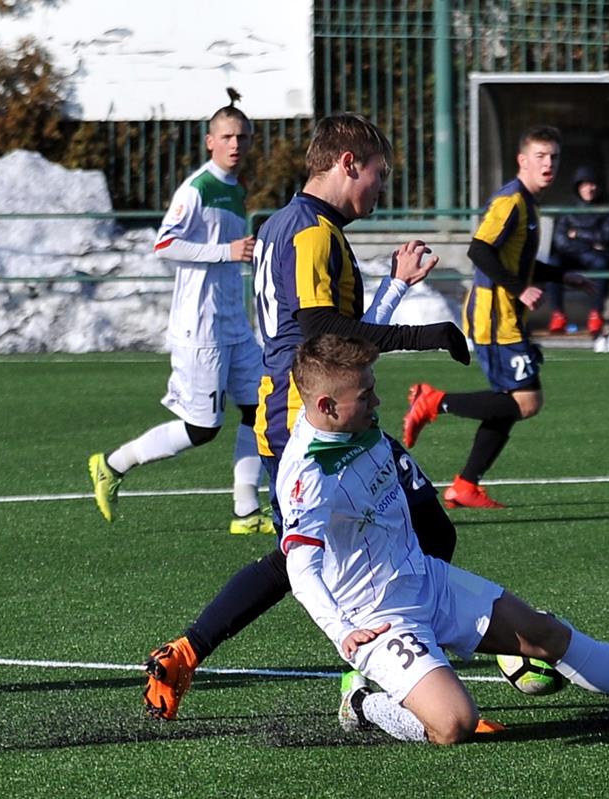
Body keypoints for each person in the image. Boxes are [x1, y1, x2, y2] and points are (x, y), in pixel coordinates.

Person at [141, 113, 471, 722]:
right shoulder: (312, 234)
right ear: (348, 163)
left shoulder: (288, 225)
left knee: (334, 551)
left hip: (320, 412)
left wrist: (396, 288)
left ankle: (190, 650)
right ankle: (377, 677)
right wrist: (423, 333)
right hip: (316, 421)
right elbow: (324, 334)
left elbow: (338, 338)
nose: (381, 187)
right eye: (379, 173)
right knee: (388, 542)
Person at [284, 333, 609, 744]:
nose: (377, 400)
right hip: (377, 618)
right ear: (327, 406)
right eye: (365, 395)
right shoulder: (308, 474)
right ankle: (363, 705)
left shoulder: (353, 422)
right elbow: (300, 568)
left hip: (425, 579)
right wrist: (343, 631)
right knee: (454, 725)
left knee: (545, 633)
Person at [88, 104, 273, 534]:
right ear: (210, 141)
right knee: (202, 429)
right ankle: (113, 464)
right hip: (200, 327)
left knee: (260, 407)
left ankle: (246, 511)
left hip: (233, 323)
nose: (235, 144)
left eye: (242, 137)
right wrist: (226, 252)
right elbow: (165, 245)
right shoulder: (197, 189)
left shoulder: (235, 189)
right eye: (227, 137)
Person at [401, 126, 590, 509]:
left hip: (507, 316)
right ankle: (434, 401)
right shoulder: (511, 201)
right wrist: (520, 289)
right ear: (522, 160)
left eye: (554, 157)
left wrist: (561, 276)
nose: (548, 164)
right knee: (527, 401)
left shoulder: (528, 203)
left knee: (511, 401)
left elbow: (515, 261)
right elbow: (480, 249)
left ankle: (465, 485)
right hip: (494, 316)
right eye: (540, 156)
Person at [546, 165, 609, 337]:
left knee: (601, 264)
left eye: (593, 184)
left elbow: (607, 237)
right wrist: (590, 243)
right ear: (578, 187)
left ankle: (596, 315)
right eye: (585, 185)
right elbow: (560, 241)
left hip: (596, 258)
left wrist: (577, 234)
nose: (589, 189)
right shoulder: (567, 210)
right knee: (553, 264)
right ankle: (558, 315)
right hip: (574, 255)